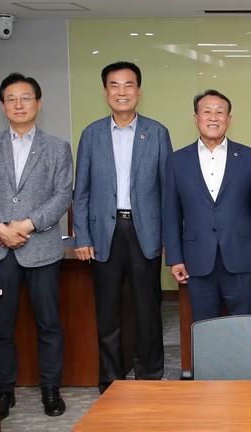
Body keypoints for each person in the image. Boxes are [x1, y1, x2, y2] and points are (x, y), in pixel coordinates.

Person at [0, 73, 73, 419]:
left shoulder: (57, 147)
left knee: (49, 322)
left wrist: (26, 224)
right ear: (3, 105)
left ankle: (50, 388)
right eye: (11, 99)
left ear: (38, 104)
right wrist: (0, 228)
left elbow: (63, 195)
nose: (19, 104)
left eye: (25, 98)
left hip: (41, 248)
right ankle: (4, 390)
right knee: (1, 324)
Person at [73, 61, 171, 394]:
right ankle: (110, 380)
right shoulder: (91, 134)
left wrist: (168, 238)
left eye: (128, 85)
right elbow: (81, 191)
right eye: (114, 86)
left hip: (145, 232)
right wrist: (82, 236)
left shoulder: (157, 133)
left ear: (138, 92)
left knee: (148, 309)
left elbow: (167, 191)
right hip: (105, 233)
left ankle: (150, 376)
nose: (122, 92)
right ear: (105, 93)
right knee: (108, 311)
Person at [164, 89, 251, 322]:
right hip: (197, 260)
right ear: (196, 118)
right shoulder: (177, 160)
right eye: (207, 112)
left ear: (229, 119)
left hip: (241, 257)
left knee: (244, 327)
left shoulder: (249, 157)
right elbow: (171, 213)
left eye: (220, 112)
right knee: (205, 328)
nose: (213, 117)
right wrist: (175, 258)